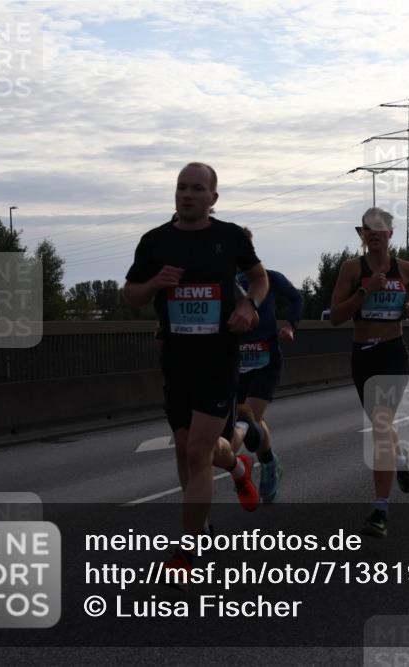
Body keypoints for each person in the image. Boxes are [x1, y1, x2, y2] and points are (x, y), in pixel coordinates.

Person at [124, 162, 269, 584]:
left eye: (197, 189)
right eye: (181, 188)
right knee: (189, 448)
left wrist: (248, 306)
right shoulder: (155, 241)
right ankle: (239, 470)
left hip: (218, 357)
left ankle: (188, 549)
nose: (187, 195)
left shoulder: (229, 237)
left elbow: (258, 279)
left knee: (196, 451)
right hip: (177, 358)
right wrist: (154, 284)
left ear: (213, 198)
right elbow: (131, 294)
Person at [329, 207, 409, 537]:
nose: (372, 233)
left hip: (394, 354)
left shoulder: (406, 268)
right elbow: (336, 316)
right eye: (366, 229)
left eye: (378, 228)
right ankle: (399, 459)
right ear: (363, 236)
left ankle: (380, 512)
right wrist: (364, 291)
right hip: (363, 356)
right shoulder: (352, 269)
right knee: (381, 425)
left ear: (390, 233)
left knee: (382, 425)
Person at [234, 226, 303, 503]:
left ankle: (261, 466)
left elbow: (297, 298)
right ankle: (269, 460)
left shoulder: (269, 278)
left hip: (266, 360)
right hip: (235, 363)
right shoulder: (224, 281)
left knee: (247, 418)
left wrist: (290, 326)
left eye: (244, 249)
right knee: (251, 424)